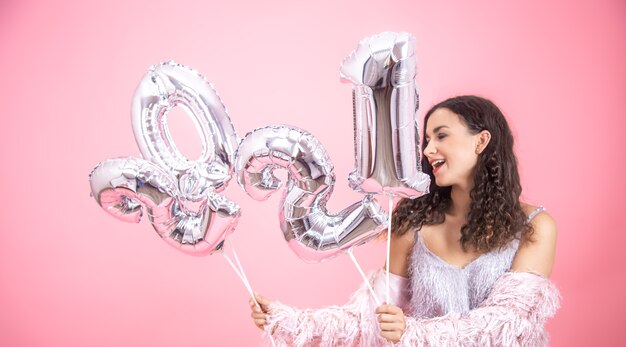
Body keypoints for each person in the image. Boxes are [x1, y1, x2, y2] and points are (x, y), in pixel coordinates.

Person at [249, 95, 560, 346]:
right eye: (426, 139)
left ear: (480, 142)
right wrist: (288, 320)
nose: (428, 150)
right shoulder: (414, 224)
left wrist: (413, 334)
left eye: (441, 136)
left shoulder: (534, 226)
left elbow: (508, 324)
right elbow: (368, 320)